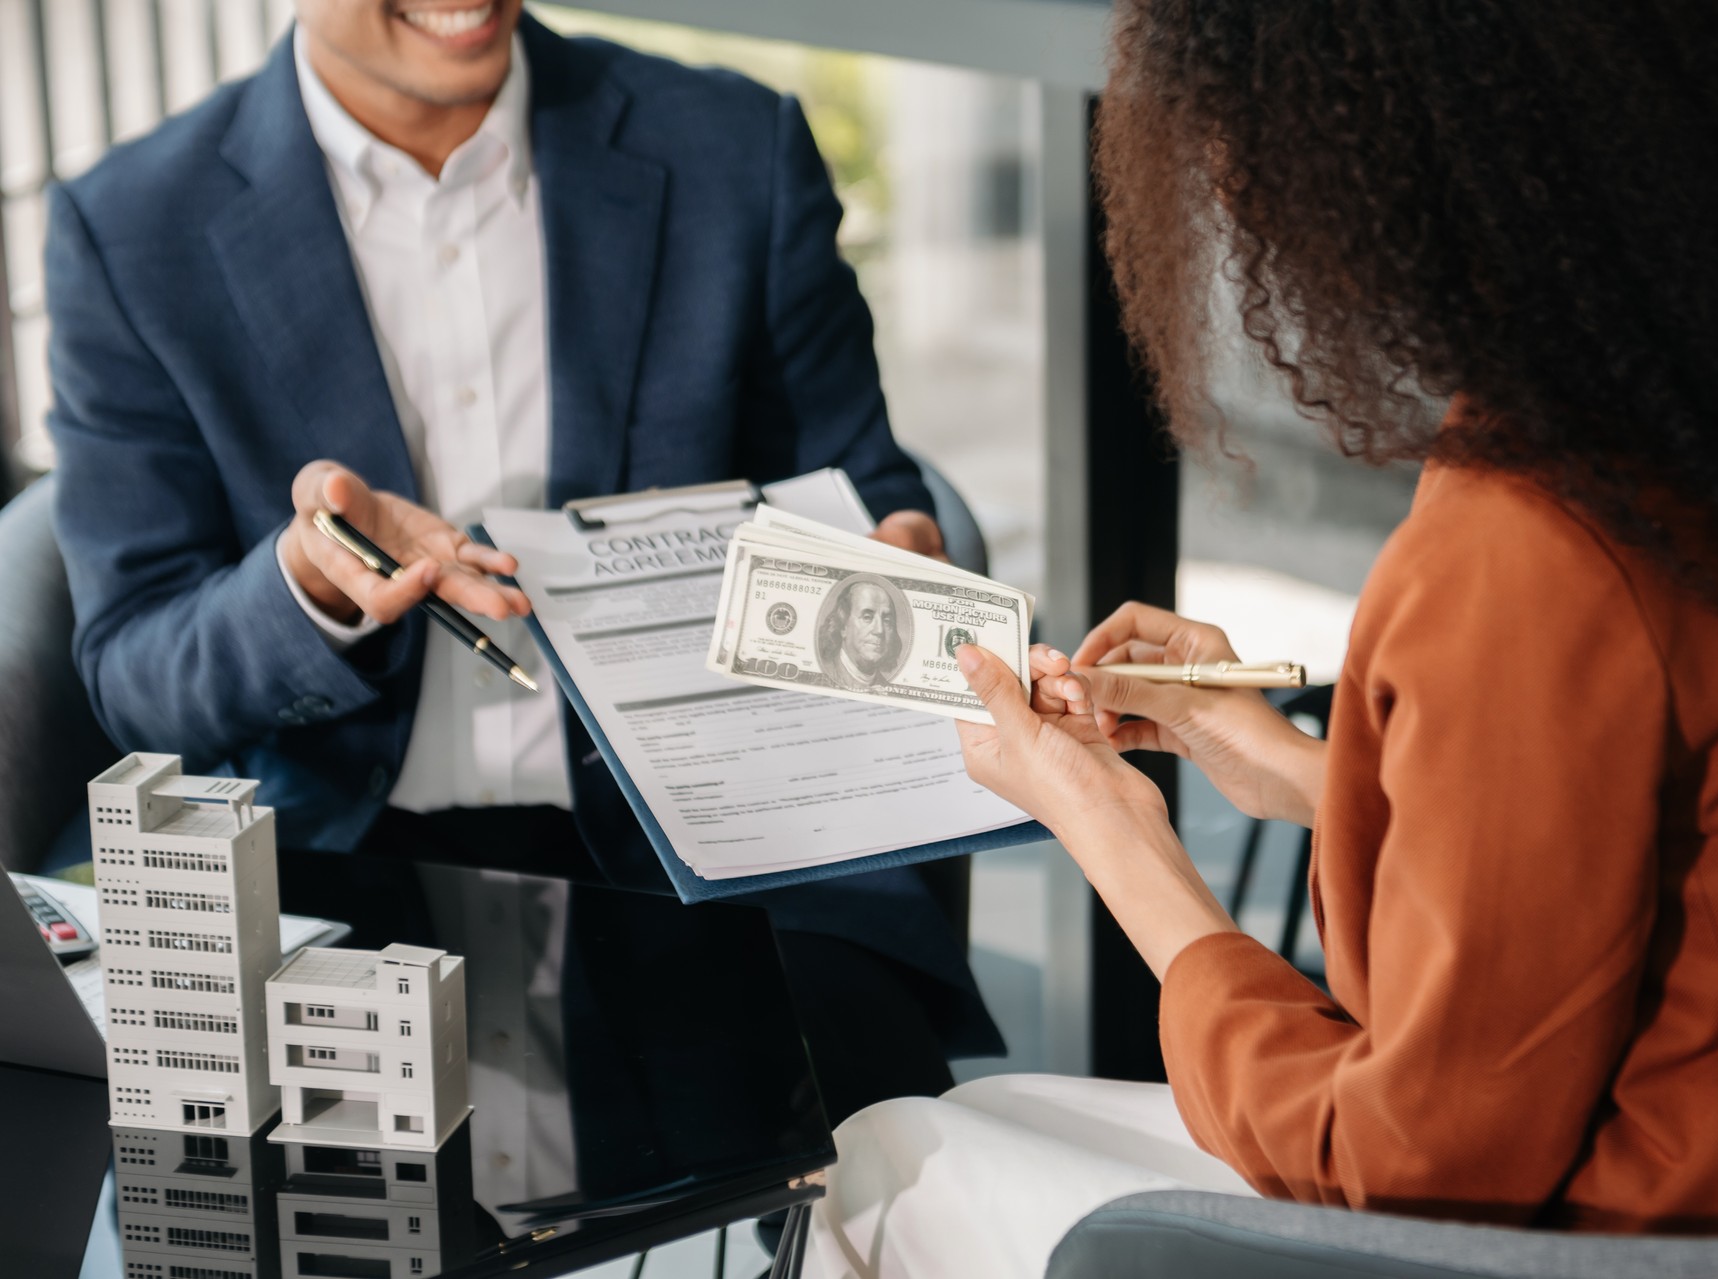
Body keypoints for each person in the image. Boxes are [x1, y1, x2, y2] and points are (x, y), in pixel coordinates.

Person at [808, 1, 1718, 1273]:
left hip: (1629, 1238)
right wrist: (1284, 762)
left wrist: (1113, 832)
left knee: (896, 1156)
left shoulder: (1534, 535)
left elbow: (1411, 1165)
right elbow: (1649, 851)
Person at [44, 0, 1001, 1143]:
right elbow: (137, 669)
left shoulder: (734, 148)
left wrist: (896, 551)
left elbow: (863, 477)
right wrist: (307, 587)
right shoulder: (131, 229)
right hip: (336, 862)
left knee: (900, 1179)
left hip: (721, 841)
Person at [820, 577, 906, 690]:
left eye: (887, 621)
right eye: (867, 617)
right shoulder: (823, 677)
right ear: (843, 626)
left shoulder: (887, 688)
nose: (879, 630)